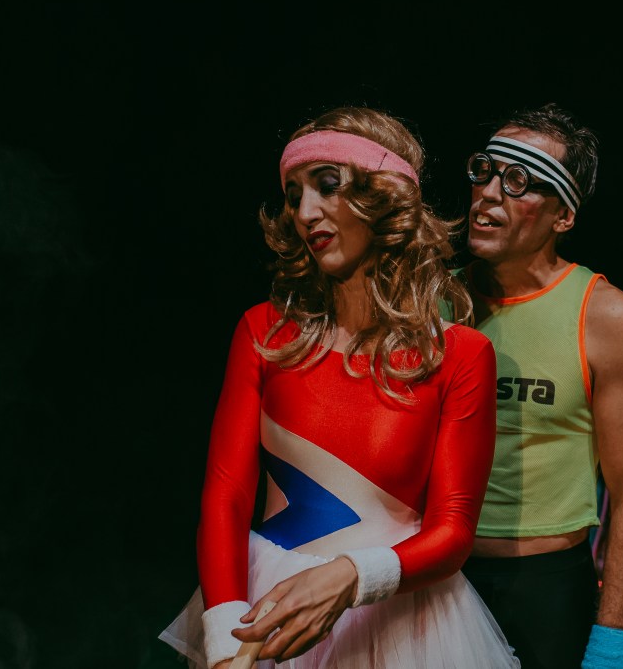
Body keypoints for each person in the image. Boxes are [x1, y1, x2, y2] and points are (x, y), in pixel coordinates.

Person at [158, 106, 520, 668]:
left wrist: (352, 577)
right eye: (293, 194)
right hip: (267, 614)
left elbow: (452, 532)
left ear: (385, 197)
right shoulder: (264, 334)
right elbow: (226, 496)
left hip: (403, 629)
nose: (305, 212)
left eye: (327, 185)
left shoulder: (461, 356)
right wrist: (225, 632)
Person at [452, 102, 623, 669]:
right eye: (484, 171)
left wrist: (612, 646)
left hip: (544, 591)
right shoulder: (433, 304)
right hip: (435, 578)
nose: (488, 194)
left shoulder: (607, 318)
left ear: (563, 216)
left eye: (518, 181)